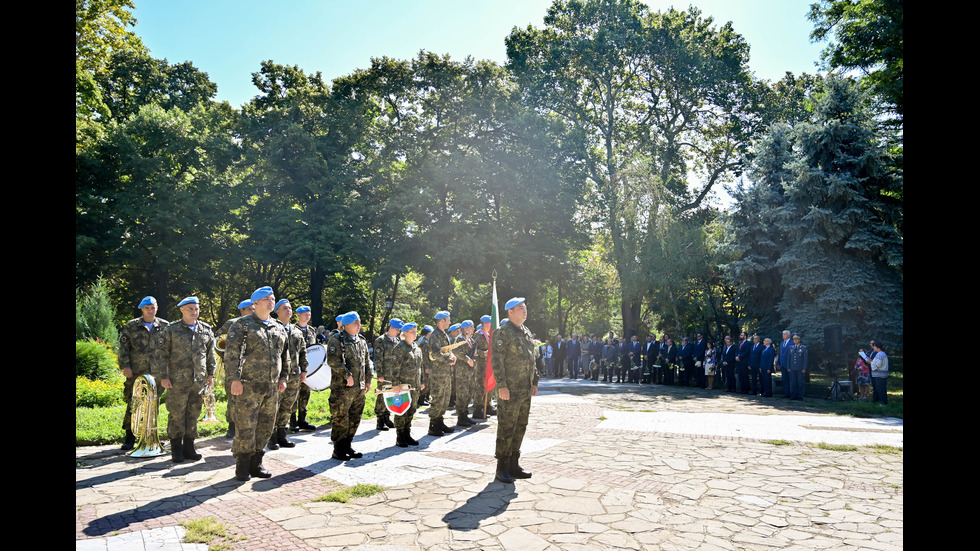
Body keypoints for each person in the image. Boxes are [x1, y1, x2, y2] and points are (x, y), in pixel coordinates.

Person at [224, 286, 289, 481]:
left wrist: (283, 377)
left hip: (271, 386)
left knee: (266, 426)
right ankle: (242, 465)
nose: (271, 301)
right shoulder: (242, 325)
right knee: (246, 426)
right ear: (256, 303)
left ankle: (256, 463)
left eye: (273, 298)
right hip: (248, 385)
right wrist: (234, 379)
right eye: (267, 299)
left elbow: (284, 356)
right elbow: (231, 354)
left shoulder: (278, 327)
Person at [155, 296, 216, 462]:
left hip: (198, 381)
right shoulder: (171, 329)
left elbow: (210, 354)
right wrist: (163, 377)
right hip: (177, 381)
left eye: (196, 309)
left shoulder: (205, 329)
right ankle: (176, 449)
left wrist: (211, 374)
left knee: (193, 414)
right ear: (181, 309)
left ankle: (189, 447)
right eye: (190, 308)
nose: (194, 312)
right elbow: (161, 355)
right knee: (176, 414)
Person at [492, 297, 539, 483]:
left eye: (525, 307)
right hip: (509, 390)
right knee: (506, 427)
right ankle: (502, 467)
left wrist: (534, 380)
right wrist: (502, 385)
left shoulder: (525, 332)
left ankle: (514, 464)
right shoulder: (503, 333)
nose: (525, 310)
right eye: (520, 308)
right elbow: (497, 361)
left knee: (520, 426)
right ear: (510, 312)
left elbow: (531, 359)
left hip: (525, 390)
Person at [118, 296, 170, 450]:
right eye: (147, 308)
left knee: (154, 403)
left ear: (157, 308)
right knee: (134, 403)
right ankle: (130, 437)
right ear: (142, 309)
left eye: (152, 307)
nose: (150, 310)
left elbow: (169, 349)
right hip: (136, 371)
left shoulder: (165, 326)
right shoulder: (132, 326)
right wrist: (125, 366)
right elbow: (123, 348)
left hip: (157, 372)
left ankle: (151, 436)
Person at [326, 311, 372, 460]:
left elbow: (366, 363)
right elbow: (333, 360)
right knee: (341, 418)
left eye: (359, 322)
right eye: (355, 323)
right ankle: (338, 449)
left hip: (358, 388)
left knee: (355, 417)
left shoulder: (361, 341)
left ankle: (348, 445)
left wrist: (369, 380)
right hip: (342, 389)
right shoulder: (337, 340)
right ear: (345, 326)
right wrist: (347, 375)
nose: (359, 325)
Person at [268, 299, 307, 450]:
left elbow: (303, 352)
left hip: (294, 375)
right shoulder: (272, 328)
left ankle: (282, 434)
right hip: (278, 375)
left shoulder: (296, 331)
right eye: (284, 308)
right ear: (277, 311)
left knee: (288, 406)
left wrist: (304, 370)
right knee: (274, 406)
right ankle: (271, 437)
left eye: (290, 308)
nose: (288, 311)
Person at [216, 299, 254, 438]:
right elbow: (219, 339)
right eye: (250, 309)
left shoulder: (257, 322)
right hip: (234, 367)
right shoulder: (232, 323)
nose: (253, 311)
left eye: (254, 308)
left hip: (251, 367)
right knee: (233, 398)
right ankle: (231, 426)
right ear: (242, 310)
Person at [385, 321, 423, 447]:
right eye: (412, 331)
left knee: (411, 410)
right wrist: (395, 384)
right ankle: (400, 435)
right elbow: (394, 368)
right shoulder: (399, 348)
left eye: (416, 331)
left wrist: (421, 381)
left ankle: (407, 433)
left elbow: (420, 367)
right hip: (402, 386)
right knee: (402, 410)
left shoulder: (416, 348)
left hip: (414, 386)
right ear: (405, 333)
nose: (415, 333)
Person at [426, 311, 457, 436]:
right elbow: (436, 354)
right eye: (448, 320)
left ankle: (439, 421)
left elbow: (447, 351)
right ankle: (433, 425)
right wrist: (449, 360)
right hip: (438, 373)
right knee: (438, 398)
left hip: (445, 373)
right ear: (442, 321)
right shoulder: (435, 335)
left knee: (445, 399)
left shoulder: (443, 334)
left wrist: (452, 355)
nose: (450, 322)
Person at [372, 318, 403, 431]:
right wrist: (380, 374)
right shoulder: (380, 340)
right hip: (384, 374)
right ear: (391, 327)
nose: (398, 331)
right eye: (397, 329)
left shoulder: (397, 340)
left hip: (394, 374)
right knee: (382, 396)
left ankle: (387, 417)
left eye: (399, 330)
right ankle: (380, 420)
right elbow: (378, 359)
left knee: (391, 395)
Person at [292, 305, 318, 432]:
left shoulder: (311, 330)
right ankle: (292, 421)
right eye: (305, 314)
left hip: (308, 368)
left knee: (305, 394)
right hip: (295, 366)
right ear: (298, 315)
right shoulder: (292, 329)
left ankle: (302, 419)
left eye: (309, 314)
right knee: (293, 394)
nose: (307, 316)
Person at [452, 320, 477, 428]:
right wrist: (467, 359)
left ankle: (465, 415)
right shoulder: (460, 339)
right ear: (466, 328)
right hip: (462, 372)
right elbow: (456, 351)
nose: (473, 329)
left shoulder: (470, 339)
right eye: (472, 327)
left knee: (469, 393)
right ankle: (461, 417)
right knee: (462, 394)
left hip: (470, 372)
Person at [471, 315, 494, 419]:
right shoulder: (478, 334)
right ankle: (477, 409)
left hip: (486, 365)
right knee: (480, 387)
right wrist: (484, 353)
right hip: (480, 365)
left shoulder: (487, 334)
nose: (491, 325)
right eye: (489, 323)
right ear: (485, 323)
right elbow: (473, 350)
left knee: (485, 386)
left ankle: (485, 406)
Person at [788, 334, 808, 400]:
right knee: (793, 382)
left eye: (797, 339)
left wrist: (804, 368)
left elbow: (805, 359)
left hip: (800, 368)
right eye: (794, 339)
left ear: (799, 340)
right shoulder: (791, 347)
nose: (795, 340)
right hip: (793, 368)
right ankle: (793, 395)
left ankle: (800, 396)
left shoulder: (803, 348)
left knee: (800, 382)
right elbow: (789, 358)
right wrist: (788, 366)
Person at [869, 340, 889, 405]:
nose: (873, 348)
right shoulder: (881, 354)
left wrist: (870, 362)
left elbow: (878, 365)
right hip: (880, 374)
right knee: (881, 389)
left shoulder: (880, 354)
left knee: (881, 389)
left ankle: (883, 403)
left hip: (880, 375)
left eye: (874, 346)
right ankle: (883, 402)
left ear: (877, 347)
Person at [777, 330, 793, 399]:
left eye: (785, 334)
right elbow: (780, 354)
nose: (783, 335)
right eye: (783, 334)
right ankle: (786, 393)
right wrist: (778, 363)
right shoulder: (781, 343)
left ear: (789, 335)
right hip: (783, 364)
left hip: (789, 365)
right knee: (785, 380)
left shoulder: (792, 343)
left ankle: (793, 394)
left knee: (791, 380)